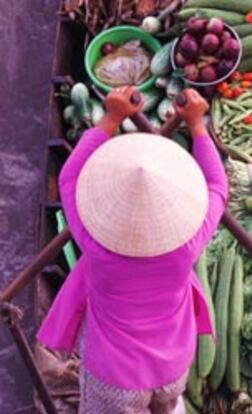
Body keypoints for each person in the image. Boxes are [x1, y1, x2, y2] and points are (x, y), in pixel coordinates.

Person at [37, 87, 228, 414]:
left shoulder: (94, 241)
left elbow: (69, 177)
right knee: (166, 407)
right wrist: (197, 125)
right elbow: (217, 187)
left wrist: (110, 119)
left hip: (114, 375)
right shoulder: (187, 243)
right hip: (173, 366)